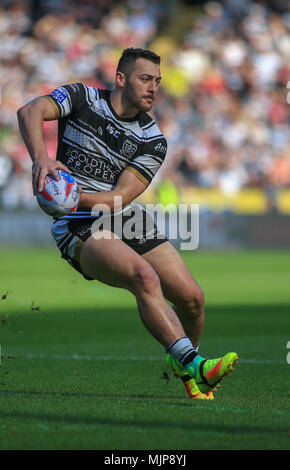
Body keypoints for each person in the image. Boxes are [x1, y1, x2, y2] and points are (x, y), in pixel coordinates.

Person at [17, 47, 238, 400]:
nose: (154, 88)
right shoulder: (82, 97)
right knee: (143, 277)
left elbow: (121, 197)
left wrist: (72, 193)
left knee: (192, 298)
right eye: (146, 79)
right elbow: (30, 110)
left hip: (122, 214)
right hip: (77, 223)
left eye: (158, 82)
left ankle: (188, 368)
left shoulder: (153, 139)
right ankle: (195, 365)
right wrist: (42, 161)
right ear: (121, 78)